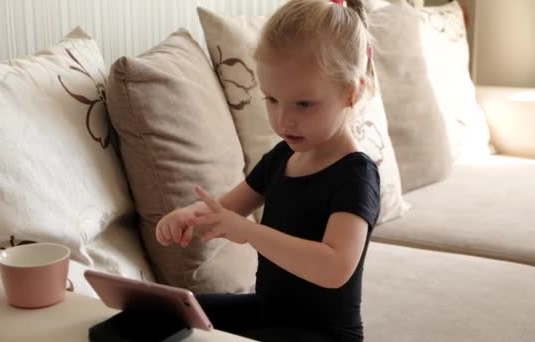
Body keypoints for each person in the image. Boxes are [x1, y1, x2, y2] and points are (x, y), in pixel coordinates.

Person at [155, 0, 380, 340]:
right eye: (271, 99)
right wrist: (188, 215)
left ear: (352, 93)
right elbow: (225, 210)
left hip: (326, 333)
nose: (283, 120)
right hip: (268, 313)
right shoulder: (280, 158)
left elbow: (335, 267)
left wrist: (248, 232)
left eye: (303, 104)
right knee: (169, 312)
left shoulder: (355, 175)